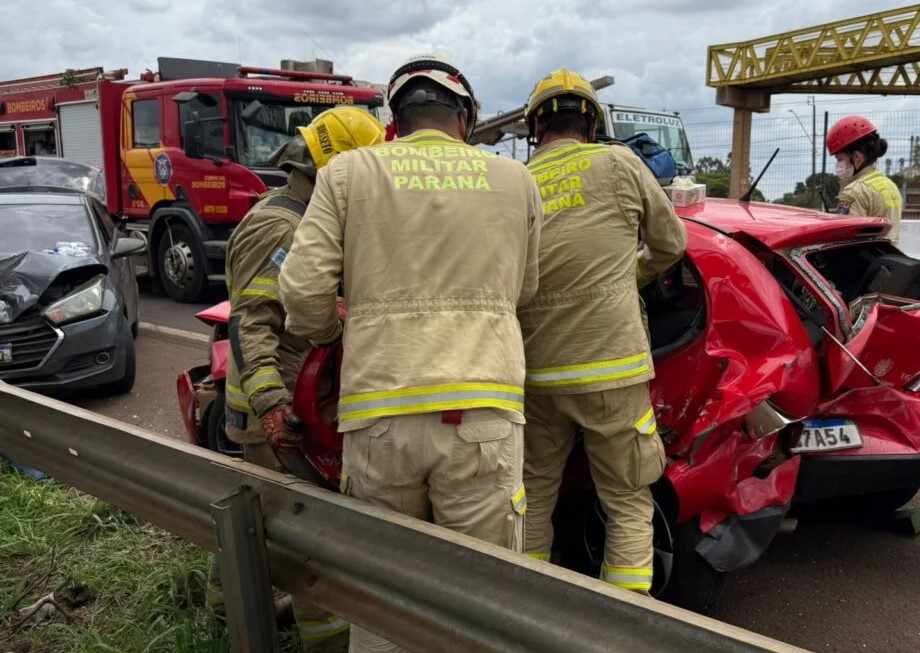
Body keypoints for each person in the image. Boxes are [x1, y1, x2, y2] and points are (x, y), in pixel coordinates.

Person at [278, 53, 542, 653]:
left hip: (380, 411)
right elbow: (525, 289)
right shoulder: (515, 181)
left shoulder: (349, 175)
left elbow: (301, 287)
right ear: (466, 118)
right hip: (484, 409)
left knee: (382, 597)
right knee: (484, 599)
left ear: (395, 121)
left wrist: (327, 333)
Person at [207, 106, 386, 653]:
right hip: (277, 414)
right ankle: (323, 643)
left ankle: (223, 611)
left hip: (283, 405)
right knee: (310, 547)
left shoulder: (303, 215)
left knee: (262, 522)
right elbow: (252, 320)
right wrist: (271, 402)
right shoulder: (283, 225)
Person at [517, 67, 688, 595]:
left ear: (534, 129)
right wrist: (628, 277)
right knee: (628, 501)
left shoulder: (516, 180)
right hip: (613, 366)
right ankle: (624, 623)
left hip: (536, 369)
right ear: (591, 123)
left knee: (534, 495)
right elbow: (671, 243)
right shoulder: (619, 163)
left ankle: (525, 606)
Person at [827, 115, 904, 243]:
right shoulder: (890, 185)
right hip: (887, 259)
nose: (838, 165)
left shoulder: (854, 191)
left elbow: (844, 241)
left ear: (857, 157)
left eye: (840, 159)